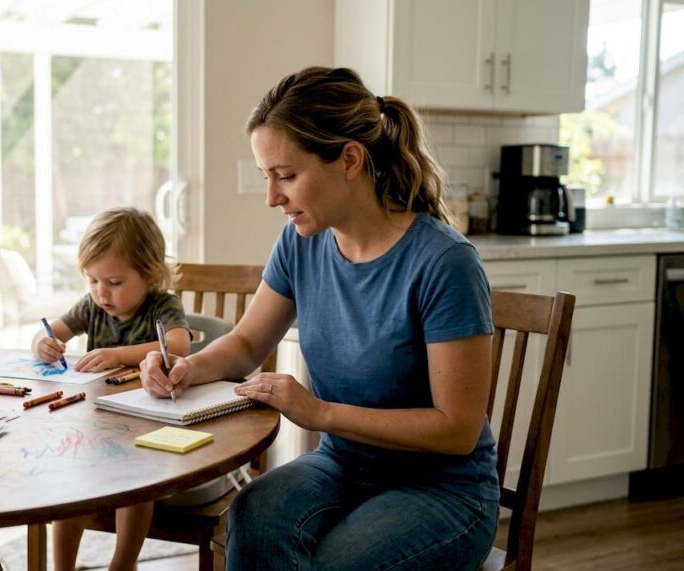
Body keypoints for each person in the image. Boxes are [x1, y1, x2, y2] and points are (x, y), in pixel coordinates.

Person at [139, 66, 499, 570]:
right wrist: (184, 366)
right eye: (267, 177)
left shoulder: (444, 262)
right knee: (253, 517)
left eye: (286, 176)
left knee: (337, 563)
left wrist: (319, 413)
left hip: (442, 490)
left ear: (349, 159)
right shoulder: (300, 241)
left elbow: (456, 429)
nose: (271, 197)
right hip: (344, 465)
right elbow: (246, 345)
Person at [32, 206, 191, 571]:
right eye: (92, 280)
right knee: (71, 486)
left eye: (114, 283)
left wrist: (118, 353)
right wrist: (42, 343)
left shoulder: (162, 306)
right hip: (94, 428)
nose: (101, 292)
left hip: (147, 432)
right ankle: (63, 567)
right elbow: (48, 331)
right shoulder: (91, 308)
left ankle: (123, 563)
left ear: (149, 274)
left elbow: (180, 347)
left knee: (136, 483)